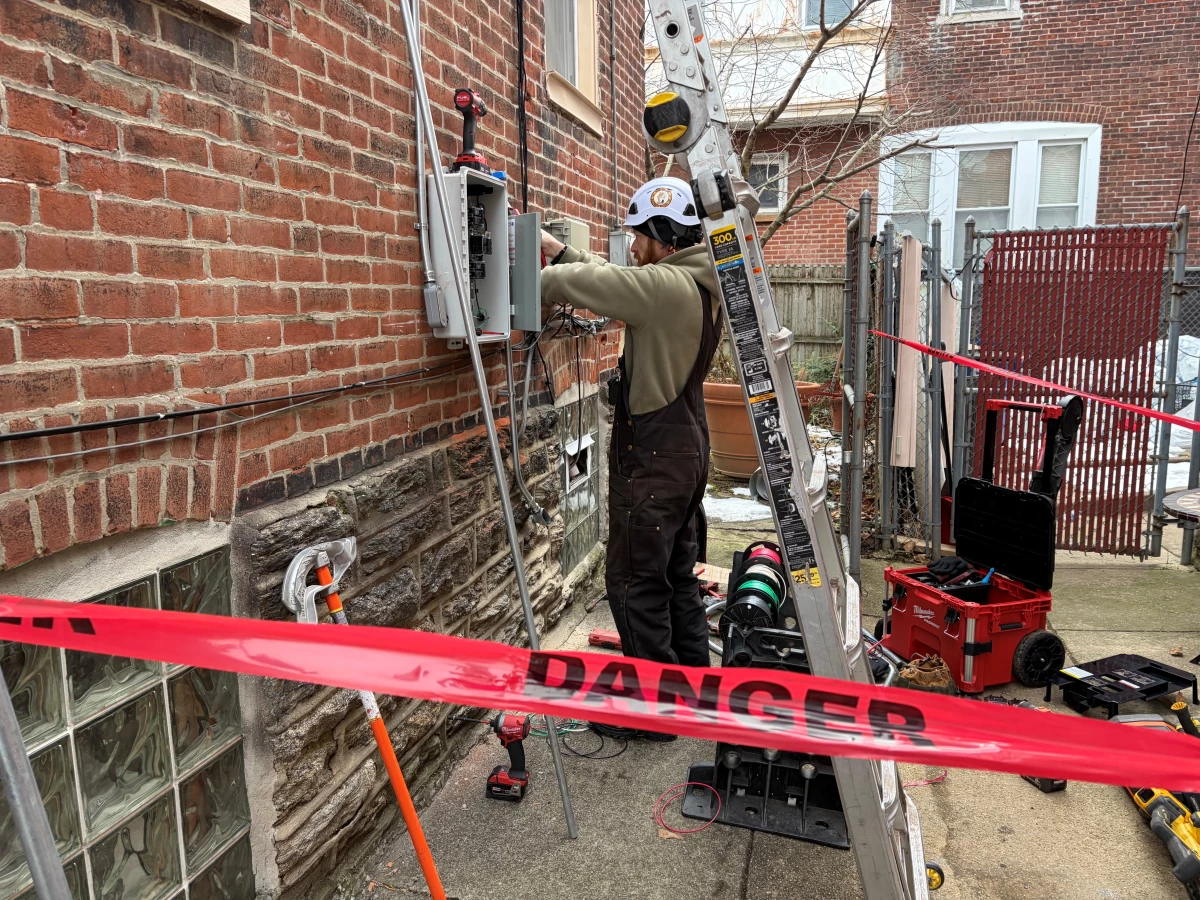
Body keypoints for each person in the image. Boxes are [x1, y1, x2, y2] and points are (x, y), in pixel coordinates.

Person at [541, 176, 721, 688]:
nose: (634, 246)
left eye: (639, 235)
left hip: (653, 462)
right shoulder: (699, 283)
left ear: (665, 237)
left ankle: (654, 711)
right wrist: (561, 250)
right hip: (686, 452)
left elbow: (593, 286)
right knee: (676, 578)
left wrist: (530, 275)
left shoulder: (663, 288)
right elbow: (615, 277)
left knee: (633, 586)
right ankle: (693, 691)